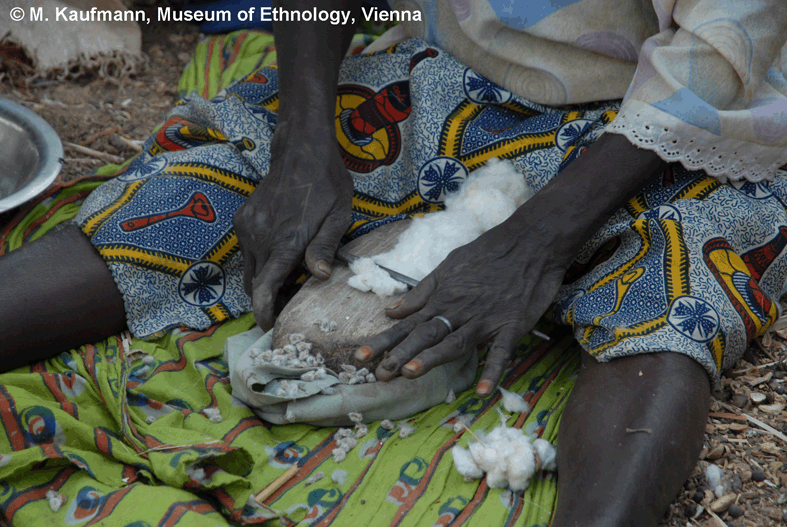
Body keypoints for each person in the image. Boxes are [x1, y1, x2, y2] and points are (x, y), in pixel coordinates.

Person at [1, 0, 786, 525]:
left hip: (664, 133)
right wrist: (303, 138)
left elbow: (715, 54)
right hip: (456, 80)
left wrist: (533, 242)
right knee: (210, 193)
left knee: (672, 306)